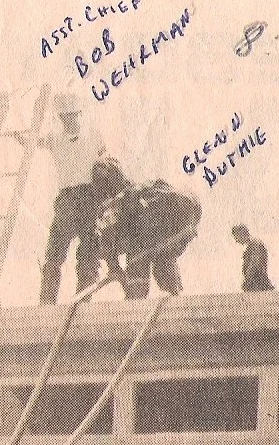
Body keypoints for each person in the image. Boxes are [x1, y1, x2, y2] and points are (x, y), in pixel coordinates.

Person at [94, 160, 202, 301]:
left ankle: (137, 299)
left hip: (167, 212)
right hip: (189, 212)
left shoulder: (116, 205)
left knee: (138, 257)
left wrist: (115, 268)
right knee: (162, 260)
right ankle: (173, 292)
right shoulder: (137, 191)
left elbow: (109, 241)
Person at [35, 92, 106, 305]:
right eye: (65, 117)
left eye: (72, 116)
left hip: (90, 197)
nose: (69, 121)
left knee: (89, 253)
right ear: (61, 118)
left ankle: (83, 301)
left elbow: (105, 164)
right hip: (67, 199)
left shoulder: (94, 135)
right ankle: (47, 303)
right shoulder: (55, 138)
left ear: (79, 114)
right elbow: (35, 141)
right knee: (54, 254)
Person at [232, 224, 274, 292]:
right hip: (255, 284)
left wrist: (247, 281)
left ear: (242, 234)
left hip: (258, 285)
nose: (236, 241)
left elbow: (254, 264)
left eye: (236, 237)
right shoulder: (252, 246)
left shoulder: (255, 245)